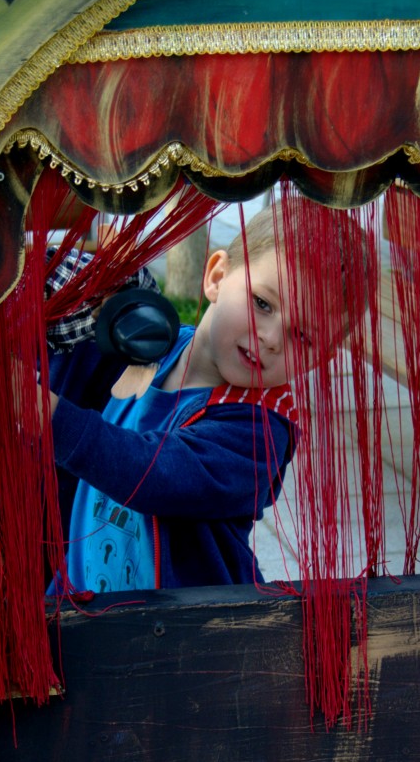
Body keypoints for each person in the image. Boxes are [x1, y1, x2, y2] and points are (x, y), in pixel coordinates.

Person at [45, 203, 351, 594]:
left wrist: (51, 418)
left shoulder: (258, 432)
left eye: (302, 336)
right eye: (263, 303)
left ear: (320, 358)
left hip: (189, 623)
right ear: (217, 276)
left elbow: (151, 474)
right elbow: (73, 367)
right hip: (84, 591)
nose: (272, 338)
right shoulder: (153, 346)